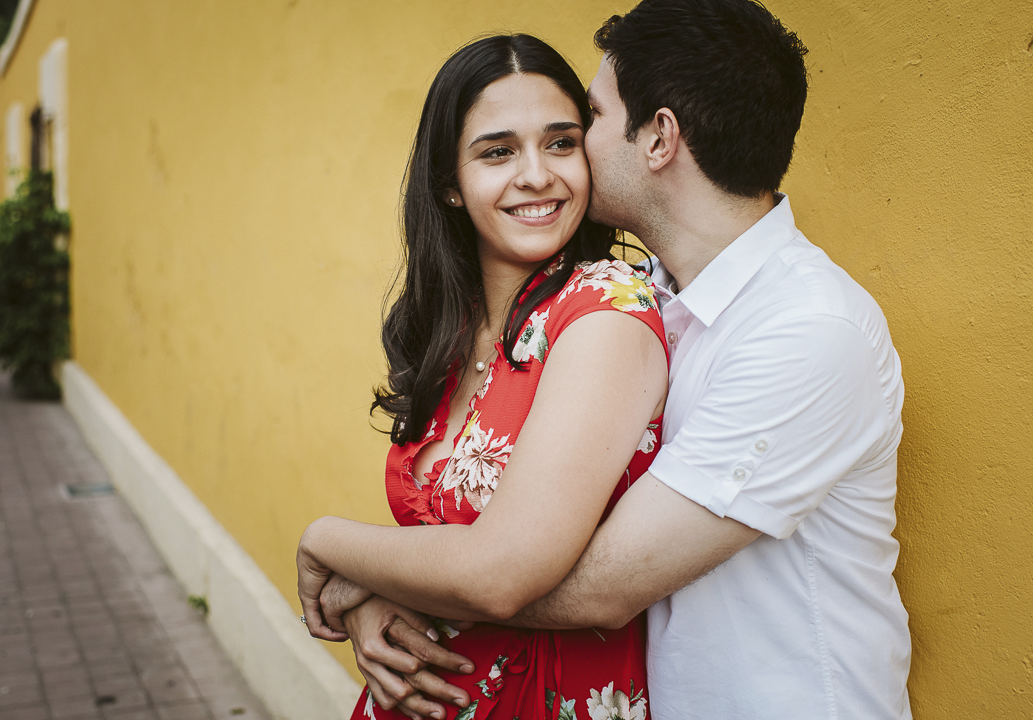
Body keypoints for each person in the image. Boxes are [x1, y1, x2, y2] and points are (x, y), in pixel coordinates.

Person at [318, 2, 914, 719]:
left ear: (659, 137)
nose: (552, 165)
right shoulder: (658, 298)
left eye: (585, 122)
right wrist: (390, 589)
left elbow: (596, 585)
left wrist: (363, 573)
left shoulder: (807, 330)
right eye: (499, 150)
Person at [296, 34, 671, 720]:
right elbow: (442, 547)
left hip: (543, 698)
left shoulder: (606, 310)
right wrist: (377, 597)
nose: (537, 175)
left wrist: (327, 542)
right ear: (449, 182)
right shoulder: (454, 330)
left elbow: (501, 574)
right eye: (498, 152)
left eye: (561, 143)